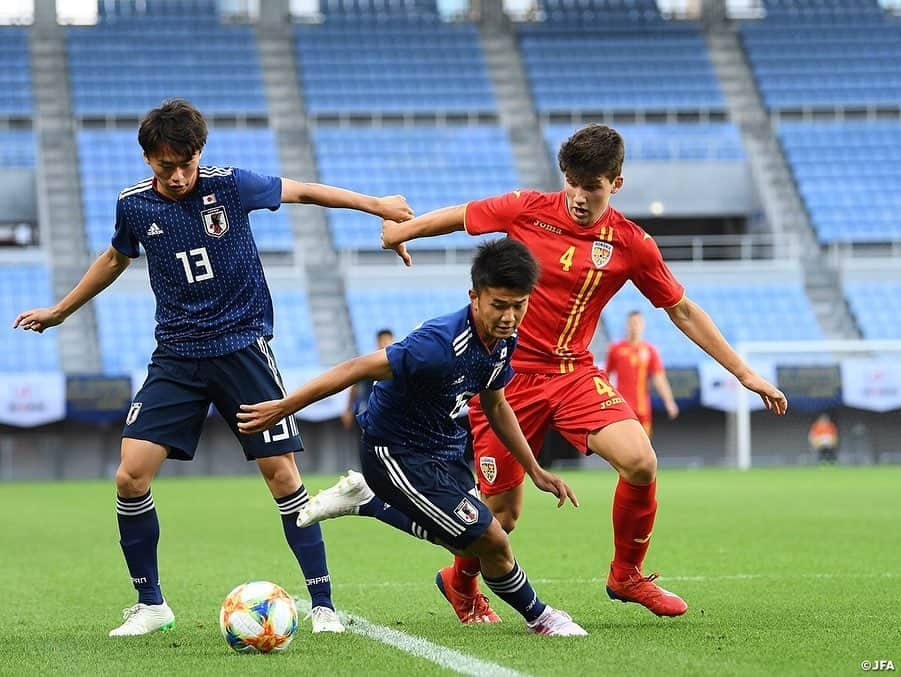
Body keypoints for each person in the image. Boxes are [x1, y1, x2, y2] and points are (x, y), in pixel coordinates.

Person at [303, 124, 788, 623]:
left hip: (574, 374)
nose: (578, 196)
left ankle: (626, 574)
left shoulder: (631, 244)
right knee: (502, 517)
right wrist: (403, 230)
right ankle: (460, 583)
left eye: (592, 186)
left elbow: (682, 309)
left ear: (616, 184)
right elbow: (462, 216)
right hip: (502, 379)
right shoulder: (529, 207)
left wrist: (744, 373)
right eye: (572, 182)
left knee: (641, 461)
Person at [12, 98, 413, 637]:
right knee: (130, 476)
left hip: (243, 348)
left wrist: (376, 205)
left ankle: (322, 604)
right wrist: (60, 311)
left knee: (282, 477)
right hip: (176, 356)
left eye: (187, 163)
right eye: (164, 165)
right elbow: (114, 258)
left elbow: (305, 191)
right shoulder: (133, 205)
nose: (177, 176)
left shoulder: (229, 186)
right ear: (148, 158)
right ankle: (151, 604)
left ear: (200, 153)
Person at [237, 239, 587, 635]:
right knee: (491, 538)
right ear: (475, 297)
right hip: (395, 451)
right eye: (499, 305)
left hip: (443, 448)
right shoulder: (436, 346)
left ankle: (366, 500)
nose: (509, 316)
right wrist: (285, 407)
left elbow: (496, 406)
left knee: (468, 542)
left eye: (518, 305)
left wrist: (535, 469)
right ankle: (542, 617)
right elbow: (356, 367)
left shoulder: (503, 341)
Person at [605, 310, 679, 438]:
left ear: (643, 325)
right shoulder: (616, 349)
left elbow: (659, 378)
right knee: (624, 446)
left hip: (642, 408)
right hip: (622, 407)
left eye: (638, 323)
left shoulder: (649, 350)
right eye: (633, 323)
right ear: (627, 325)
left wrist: (669, 401)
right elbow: (606, 376)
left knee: (644, 448)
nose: (635, 326)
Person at [341, 328, 395, 430]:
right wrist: (348, 410)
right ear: (377, 343)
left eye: (388, 341)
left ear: (393, 341)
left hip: (389, 414)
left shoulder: (397, 363)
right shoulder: (370, 363)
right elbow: (355, 386)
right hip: (368, 412)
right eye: (383, 341)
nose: (385, 344)